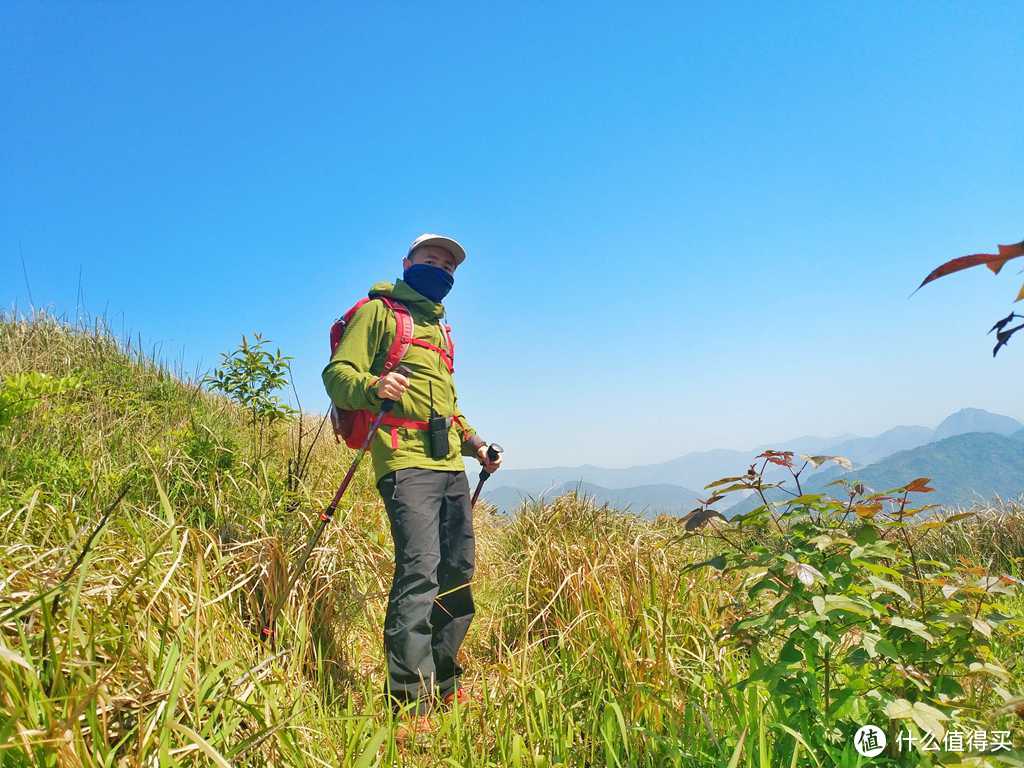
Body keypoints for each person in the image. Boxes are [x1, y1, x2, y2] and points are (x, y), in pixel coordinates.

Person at [322, 233, 501, 723]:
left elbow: (449, 406)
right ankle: (408, 700)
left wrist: (477, 446)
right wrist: (373, 385)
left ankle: (445, 682)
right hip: (403, 462)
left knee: (456, 574)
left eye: (448, 265)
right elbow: (337, 375)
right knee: (419, 573)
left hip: (450, 466)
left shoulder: (441, 331)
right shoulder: (379, 313)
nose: (440, 268)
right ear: (407, 263)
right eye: (431, 259)